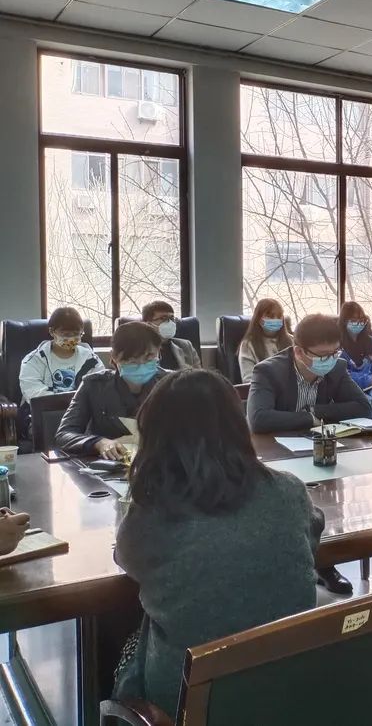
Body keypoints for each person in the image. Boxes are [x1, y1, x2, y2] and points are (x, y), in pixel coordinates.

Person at [112, 370, 322, 716]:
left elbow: (127, 559)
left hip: (190, 700)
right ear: (238, 425)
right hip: (288, 685)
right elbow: (311, 538)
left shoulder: (155, 507)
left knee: (130, 642)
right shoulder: (289, 490)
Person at [246, 313, 367, 595]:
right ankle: (286, 564)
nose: (329, 360)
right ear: (299, 352)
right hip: (275, 456)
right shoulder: (268, 371)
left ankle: (324, 563)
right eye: (322, 355)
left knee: (328, 500)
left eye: (334, 352)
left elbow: (362, 406)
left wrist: (314, 413)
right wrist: (308, 419)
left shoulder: (336, 367)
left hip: (317, 449)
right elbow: (259, 419)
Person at [55, 322, 165, 459]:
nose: (141, 365)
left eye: (149, 358)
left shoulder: (172, 383)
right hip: (109, 464)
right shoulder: (94, 385)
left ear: (158, 352)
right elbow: (64, 434)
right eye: (132, 361)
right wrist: (99, 443)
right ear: (113, 356)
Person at [18, 306, 104, 436]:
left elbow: (99, 388)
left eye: (76, 333)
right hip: (45, 415)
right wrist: (70, 404)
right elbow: (33, 393)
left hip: (82, 415)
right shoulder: (34, 359)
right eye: (66, 334)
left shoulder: (91, 359)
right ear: (52, 332)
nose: (71, 338)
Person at [238, 298, 293, 383]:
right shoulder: (248, 345)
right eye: (270, 316)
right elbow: (249, 380)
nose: (275, 319)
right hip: (263, 389)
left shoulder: (292, 340)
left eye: (279, 316)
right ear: (259, 319)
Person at [142, 301, 200, 371]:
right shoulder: (138, 349)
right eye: (163, 318)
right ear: (148, 324)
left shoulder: (186, 345)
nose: (170, 322)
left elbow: (199, 374)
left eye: (172, 318)